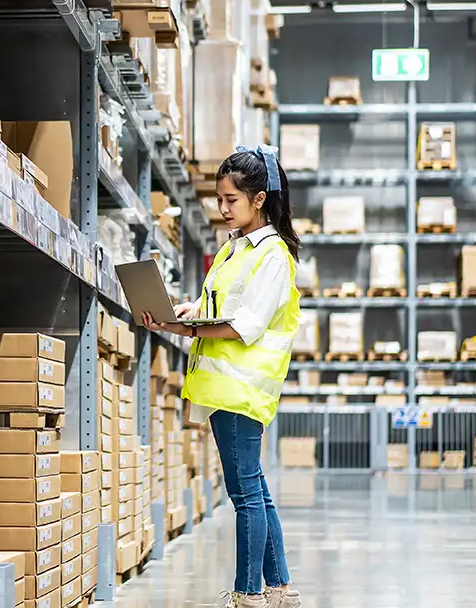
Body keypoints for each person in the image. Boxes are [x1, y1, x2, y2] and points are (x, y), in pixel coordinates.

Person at [141, 145, 303, 608]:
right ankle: (280, 588)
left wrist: (176, 326)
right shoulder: (235, 249)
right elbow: (223, 306)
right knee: (256, 490)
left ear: (258, 200)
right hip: (224, 387)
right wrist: (191, 310)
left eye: (232, 199)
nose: (222, 208)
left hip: (240, 388)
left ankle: (248, 593)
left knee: (245, 495)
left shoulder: (272, 255)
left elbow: (244, 326)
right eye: (220, 198)